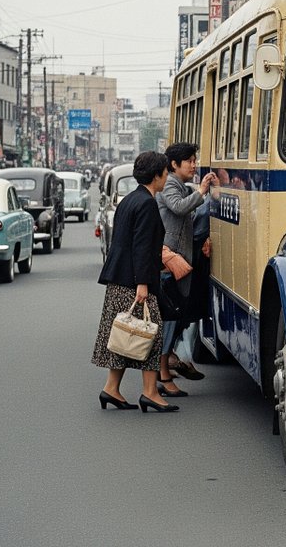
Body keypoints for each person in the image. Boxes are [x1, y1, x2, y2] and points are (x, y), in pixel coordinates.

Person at [91, 151, 175, 413]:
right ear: (156, 175)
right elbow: (141, 247)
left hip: (119, 278)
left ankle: (111, 388)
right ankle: (150, 392)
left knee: (124, 334)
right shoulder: (147, 203)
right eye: (165, 173)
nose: (167, 177)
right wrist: (143, 283)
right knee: (150, 333)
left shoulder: (129, 199)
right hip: (135, 281)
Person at [155, 142, 218, 396]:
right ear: (174, 164)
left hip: (178, 259)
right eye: (189, 161)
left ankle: (164, 367)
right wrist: (202, 191)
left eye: (194, 160)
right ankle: (162, 373)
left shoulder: (180, 185)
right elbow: (179, 207)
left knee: (175, 315)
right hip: (170, 260)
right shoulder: (170, 184)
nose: (194, 165)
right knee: (170, 316)